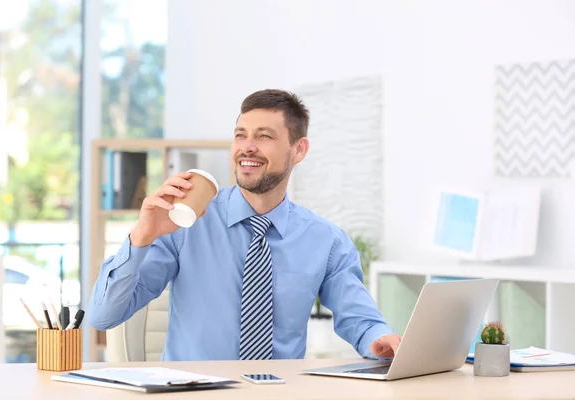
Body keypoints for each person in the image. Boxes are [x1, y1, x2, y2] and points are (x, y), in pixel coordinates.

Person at [88, 89, 401, 361]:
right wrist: (141, 236)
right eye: (241, 135)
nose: (247, 147)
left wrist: (381, 341)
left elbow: (360, 320)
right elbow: (104, 317)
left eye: (264, 136)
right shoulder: (184, 225)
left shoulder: (326, 241)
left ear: (299, 149)